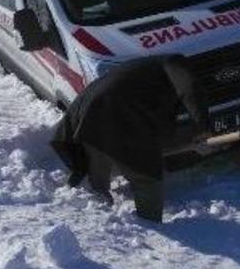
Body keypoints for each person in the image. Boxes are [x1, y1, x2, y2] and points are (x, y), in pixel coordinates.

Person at [49, 55, 209, 222]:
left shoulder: (141, 68)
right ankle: (150, 222)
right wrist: (203, 129)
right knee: (146, 178)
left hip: (88, 114)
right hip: (120, 113)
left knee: (96, 162)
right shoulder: (174, 63)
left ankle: (97, 214)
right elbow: (189, 89)